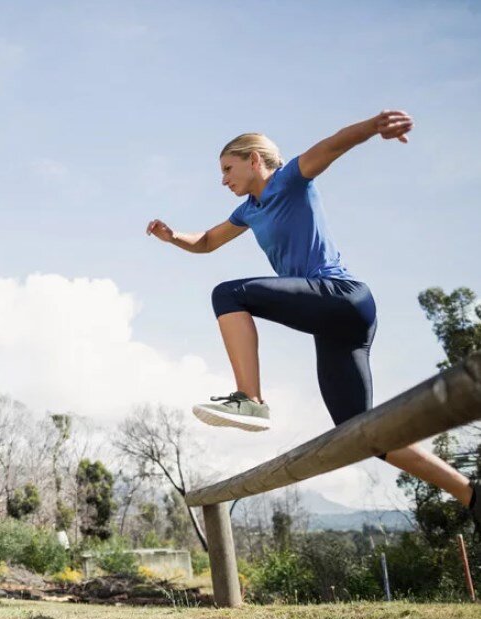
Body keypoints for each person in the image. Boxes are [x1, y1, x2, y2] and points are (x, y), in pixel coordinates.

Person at [145, 110, 480, 526]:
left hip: (342, 296)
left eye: (227, 169)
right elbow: (210, 241)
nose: (223, 180)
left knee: (228, 294)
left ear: (254, 160)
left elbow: (333, 145)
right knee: (362, 431)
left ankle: (250, 400)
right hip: (336, 324)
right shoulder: (248, 210)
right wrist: (173, 236)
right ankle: (470, 495)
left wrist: (373, 126)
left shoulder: (290, 178)